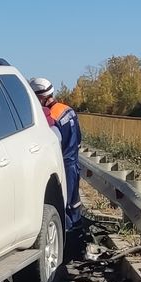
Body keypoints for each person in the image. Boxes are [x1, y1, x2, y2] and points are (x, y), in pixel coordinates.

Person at [31, 77, 82, 217]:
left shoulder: (50, 117)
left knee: (63, 205)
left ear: (41, 97)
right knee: (74, 202)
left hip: (63, 164)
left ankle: (69, 235)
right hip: (74, 161)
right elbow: (78, 138)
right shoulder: (68, 110)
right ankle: (77, 235)